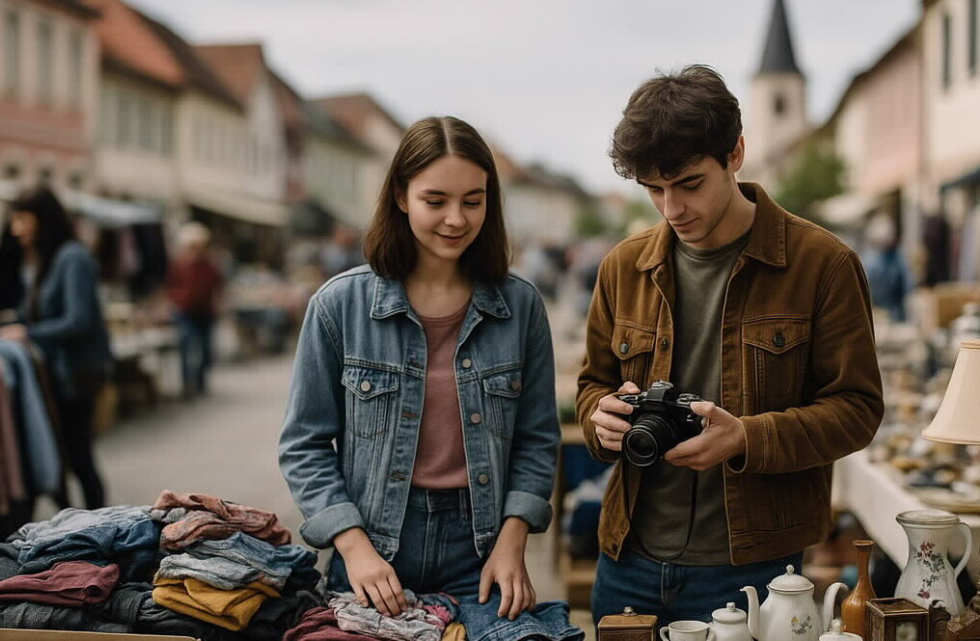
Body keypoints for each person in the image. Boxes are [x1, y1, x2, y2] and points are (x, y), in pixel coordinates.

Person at [577, 65, 884, 627]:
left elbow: (858, 411)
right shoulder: (622, 266)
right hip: (627, 557)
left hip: (753, 569)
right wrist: (603, 418)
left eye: (689, 184)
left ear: (736, 153)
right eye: (653, 189)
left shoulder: (823, 264)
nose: (671, 209)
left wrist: (748, 437)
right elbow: (591, 385)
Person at [279, 117, 573, 638]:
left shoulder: (521, 306)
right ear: (400, 195)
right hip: (373, 545)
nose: (456, 219)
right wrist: (354, 549)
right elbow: (304, 444)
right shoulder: (338, 306)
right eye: (435, 201)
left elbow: (537, 438)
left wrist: (513, 539)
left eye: (473, 201)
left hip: (481, 549)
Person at [0, 186, 112, 510]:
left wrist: (28, 333)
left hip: (76, 374)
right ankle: (75, 525)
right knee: (62, 455)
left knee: (78, 456)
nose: (15, 229)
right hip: (59, 372)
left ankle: (98, 523)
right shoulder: (45, 260)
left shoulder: (72, 257)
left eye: (22, 220)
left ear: (41, 220)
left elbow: (79, 319)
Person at [165, 221, 223, 397]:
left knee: (205, 350)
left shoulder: (210, 266)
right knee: (185, 345)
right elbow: (170, 286)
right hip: (185, 312)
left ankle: (200, 381)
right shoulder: (179, 265)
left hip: (205, 312)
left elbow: (218, 287)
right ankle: (186, 383)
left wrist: (219, 304)